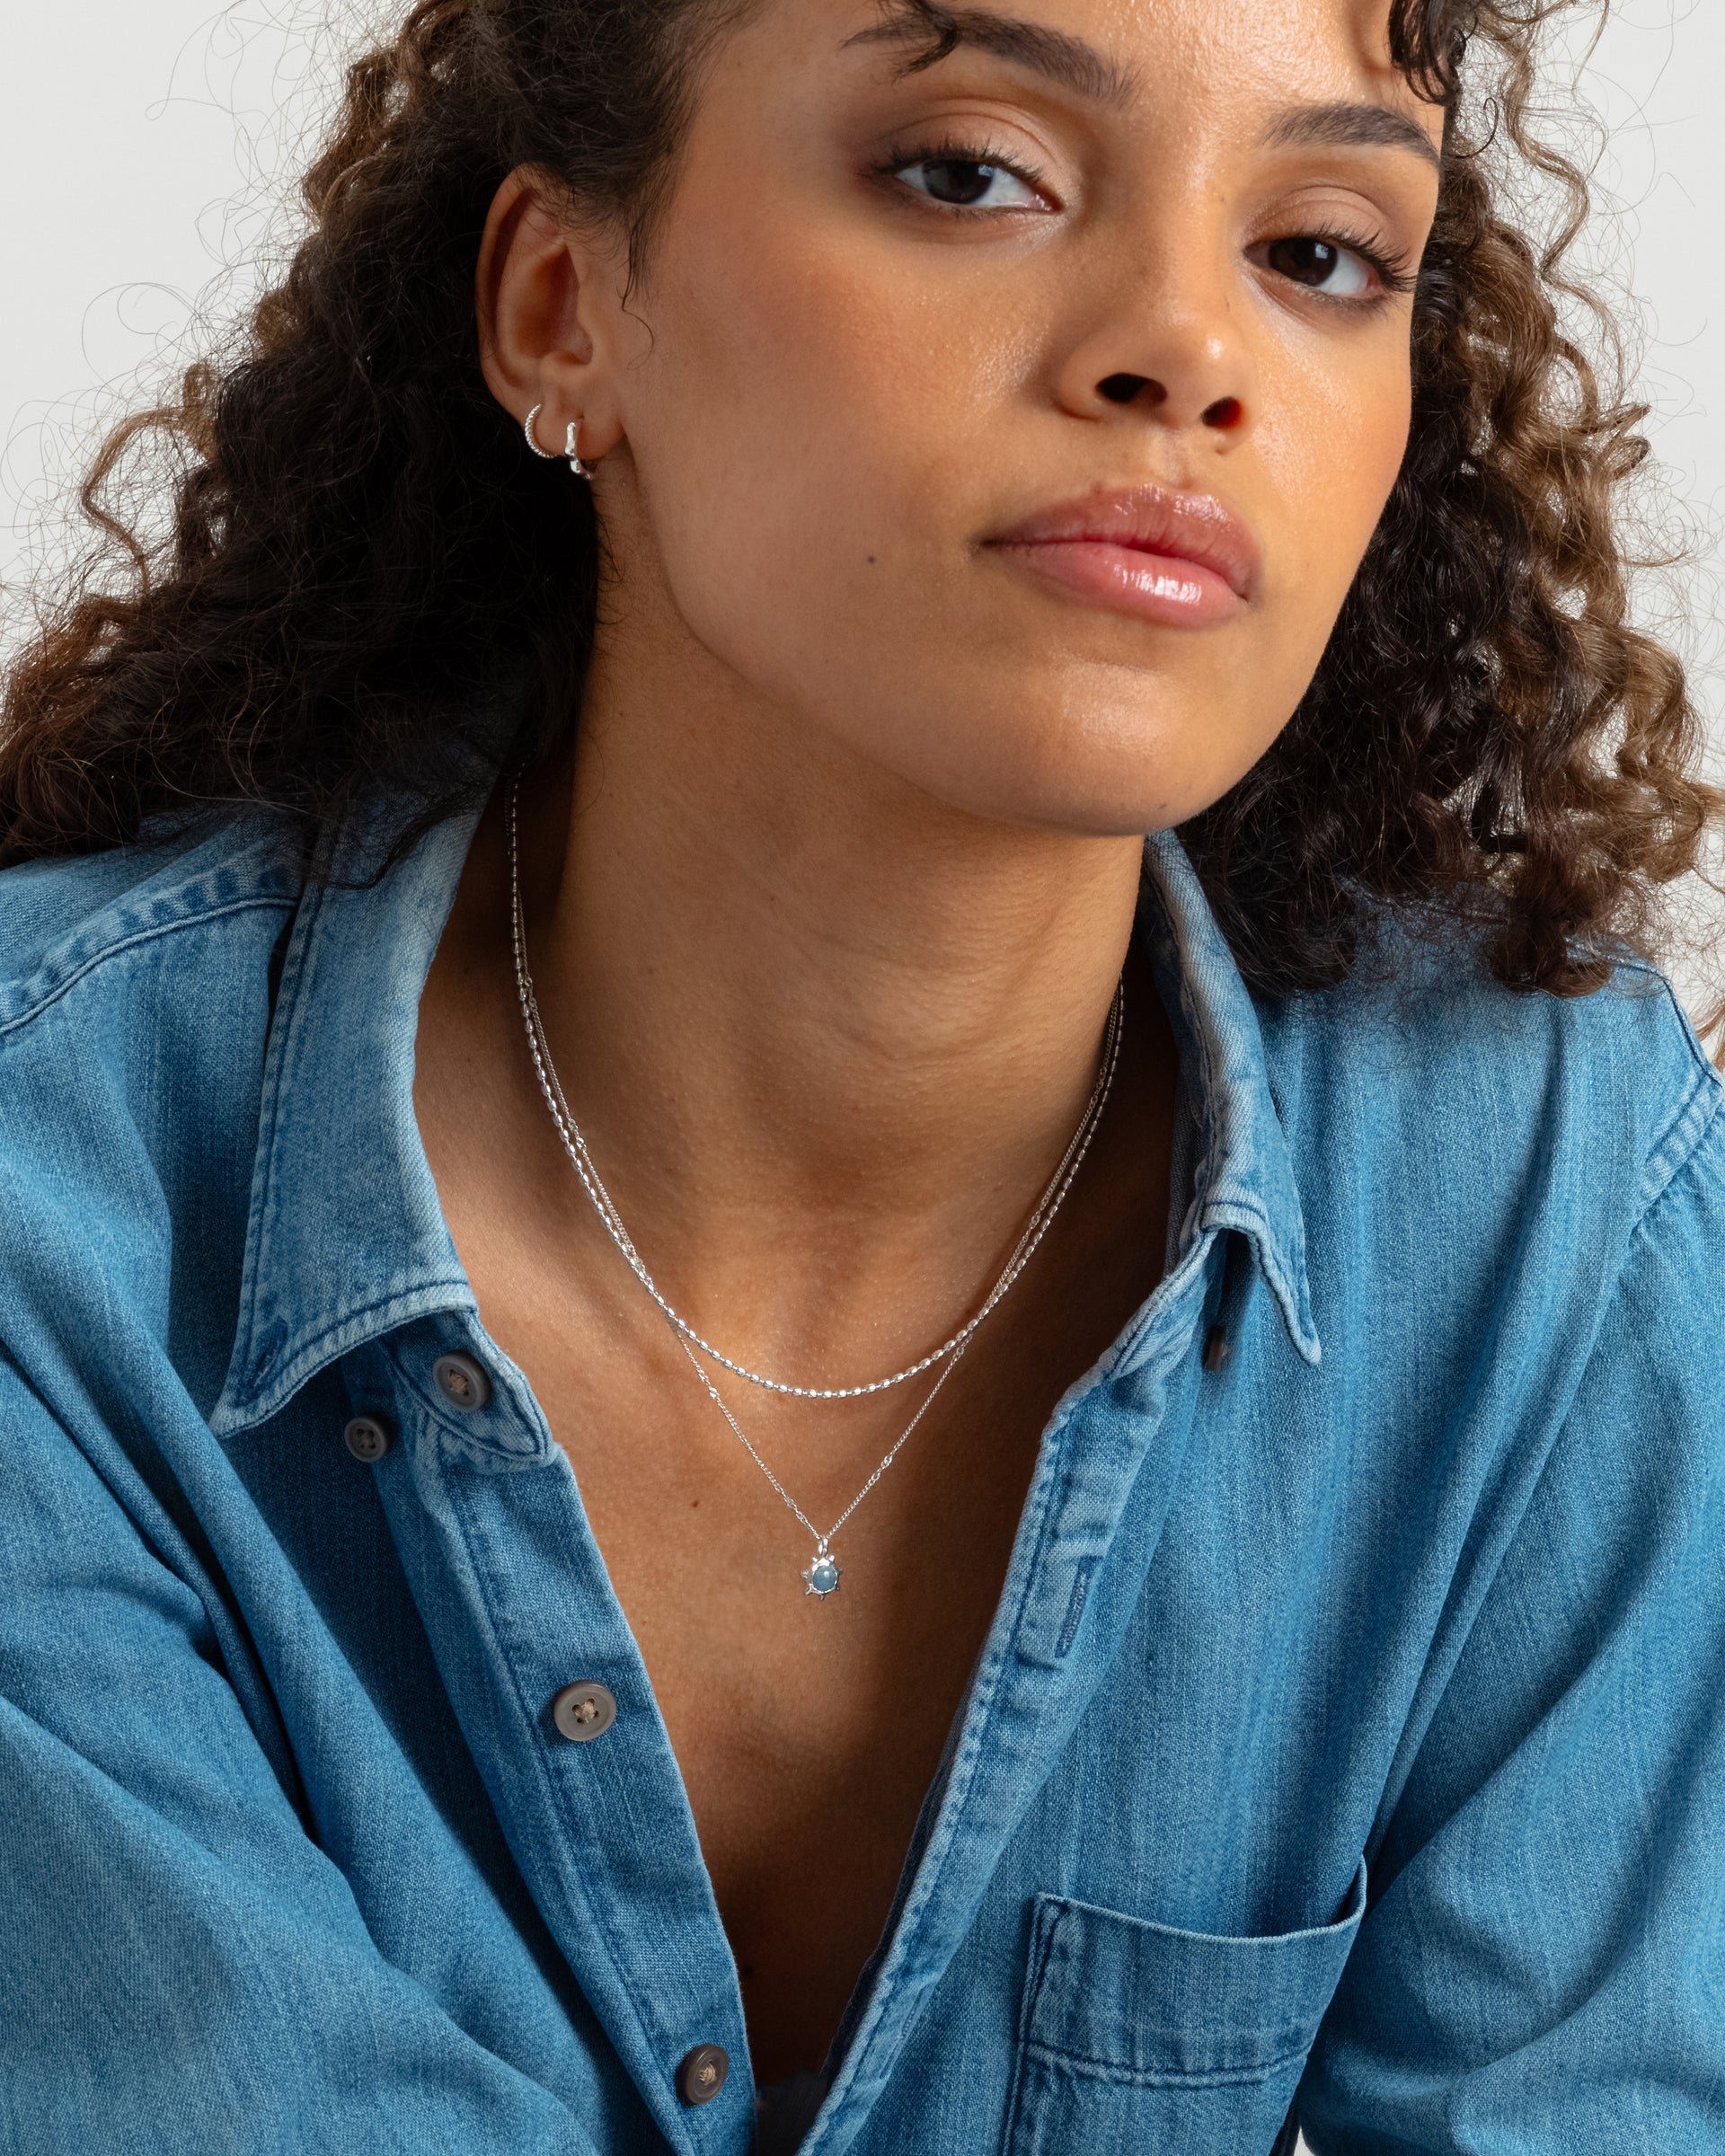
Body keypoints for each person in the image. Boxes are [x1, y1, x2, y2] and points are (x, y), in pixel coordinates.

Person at [0, 0, 1720, 2147]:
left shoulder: (1547, 1202)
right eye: (971, 173)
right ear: (563, 310)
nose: (1189, 352)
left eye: (1319, 252)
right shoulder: (54, 1212)